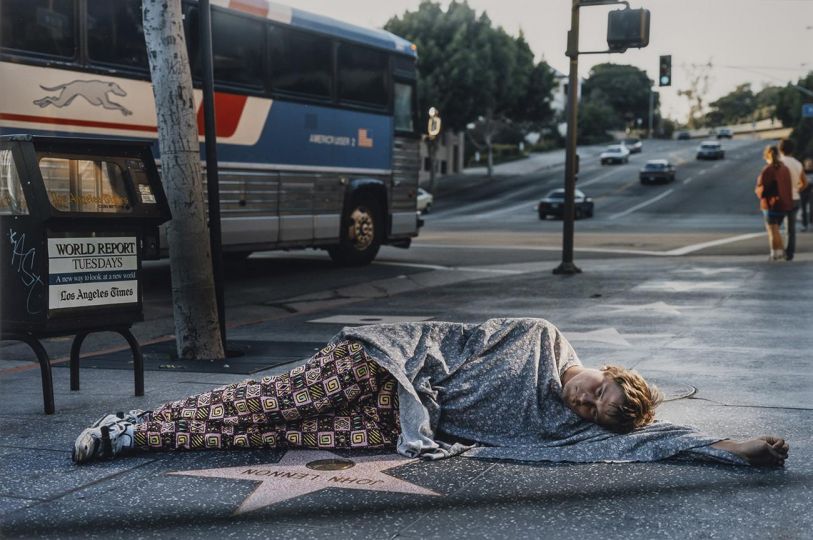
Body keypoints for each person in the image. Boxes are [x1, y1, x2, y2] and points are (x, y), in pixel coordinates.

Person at [71, 319, 788, 469]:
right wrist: (410, 395)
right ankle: (128, 419)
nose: (577, 400)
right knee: (268, 404)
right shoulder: (539, 337)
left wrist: (735, 448)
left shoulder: (570, 424)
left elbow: (659, 443)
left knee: (260, 435)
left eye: (586, 412)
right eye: (593, 390)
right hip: (382, 367)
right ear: (606, 369)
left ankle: (135, 435)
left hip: (396, 427)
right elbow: (437, 338)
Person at [755, 145, 793, 261]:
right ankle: (780, 252)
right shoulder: (785, 168)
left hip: (770, 204)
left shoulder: (768, 169)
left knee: (772, 231)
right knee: (776, 230)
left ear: (767, 156)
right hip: (784, 204)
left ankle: (774, 254)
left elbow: (762, 188)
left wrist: (757, 190)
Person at [778, 139, 810, 256]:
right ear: (792, 150)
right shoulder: (798, 163)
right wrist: (797, 190)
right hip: (794, 198)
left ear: (780, 149)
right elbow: (804, 183)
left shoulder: (778, 163)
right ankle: (789, 253)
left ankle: (776, 250)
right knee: (790, 229)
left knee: (774, 226)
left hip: (780, 199)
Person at [801, 157, 813, 231]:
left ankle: (811, 223)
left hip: (811, 191)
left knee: (812, 208)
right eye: (807, 163)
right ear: (805, 164)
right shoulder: (802, 172)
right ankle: (804, 225)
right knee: (803, 209)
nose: (809, 165)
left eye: (810, 163)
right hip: (803, 191)